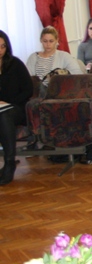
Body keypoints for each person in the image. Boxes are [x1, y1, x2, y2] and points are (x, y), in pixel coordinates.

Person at [0, 31, 34, 185]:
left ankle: (9, 163)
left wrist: (8, 102)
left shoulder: (15, 64)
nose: (0, 50)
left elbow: (28, 90)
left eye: (3, 46)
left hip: (16, 108)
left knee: (4, 116)